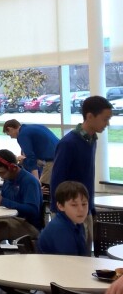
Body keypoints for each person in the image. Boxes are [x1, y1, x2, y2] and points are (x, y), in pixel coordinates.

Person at [50, 95, 114, 250]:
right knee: (71, 259)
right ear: (90, 116)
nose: (108, 124)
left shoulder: (91, 140)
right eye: (105, 119)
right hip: (68, 212)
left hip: (85, 208)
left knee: (85, 256)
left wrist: (90, 207)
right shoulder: (68, 143)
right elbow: (57, 180)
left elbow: (86, 177)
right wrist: (61, 212)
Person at [0, 149, 42, 257]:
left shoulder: (29, 181)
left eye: (2, 173)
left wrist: (3, 201)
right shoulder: (8, 179)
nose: (1, 176)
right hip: (11, 219)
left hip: (28, 225)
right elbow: (5, 202)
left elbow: (32, 210)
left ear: (13, 168)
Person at [37, 181, 90, 256]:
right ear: (60, 206)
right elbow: (71, 263)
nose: (81, 209)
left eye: (84, 204)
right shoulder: (59, 229)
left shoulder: (77, 223)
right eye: (74, 205)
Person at [2, 119, 60, 185]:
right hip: (60, 154)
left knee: (43, 188)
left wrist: (36, 179)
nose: (11, 137)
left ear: (10, 129)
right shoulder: (32, 128)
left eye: (9, 134)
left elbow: (30, 157)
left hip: (52, 160)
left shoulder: (22, 135)